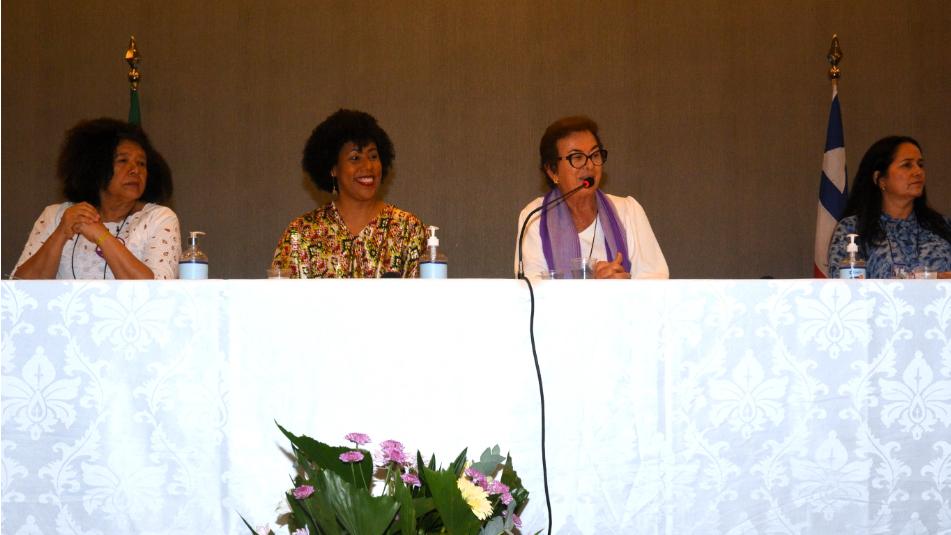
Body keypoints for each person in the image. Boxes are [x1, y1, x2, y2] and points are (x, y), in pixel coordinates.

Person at [12, 118, 180, 279]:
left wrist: (102, 235)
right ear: (95, 167)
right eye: (123, 160)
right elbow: (19, 288)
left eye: (141, 163)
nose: (135, 170)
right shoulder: (56, 216)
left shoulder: (159, 219)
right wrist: (61, 233)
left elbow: (158, 290)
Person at [272, 109, 425, 278]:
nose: (368, 166)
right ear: (333, 168)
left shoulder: (408, 229)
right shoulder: (300, 233)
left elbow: (426, 293)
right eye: (355, 158)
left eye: (373, 156)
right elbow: (279, 293)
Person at [514, 116, 668, 279]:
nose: (589, 165)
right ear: (553, 171)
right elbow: (531, 288)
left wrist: (621, 287)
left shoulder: (628, 211)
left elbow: (656, 280)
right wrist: (595, 288)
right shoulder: (535, 217)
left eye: (595, 155)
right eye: (577, 157)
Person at [828, 136, 951, 278]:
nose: (918, 172)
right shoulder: (852, 228)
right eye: (907, 165)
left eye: (920, 164)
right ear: (880, 179)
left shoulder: (943, 226)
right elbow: (841, 284)